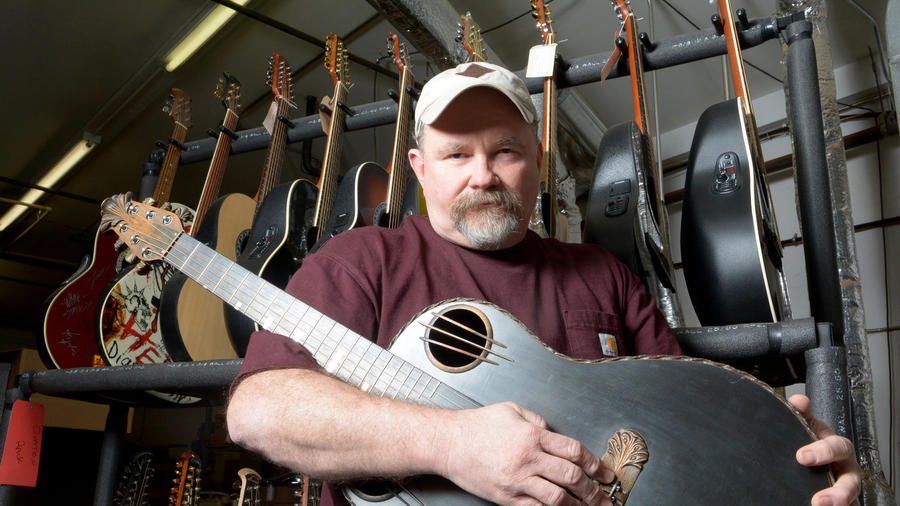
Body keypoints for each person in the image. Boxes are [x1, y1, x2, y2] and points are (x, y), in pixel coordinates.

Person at [227, 61, 861, 506]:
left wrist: (786, 459)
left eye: (505, 151)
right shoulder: (359, 263)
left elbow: (683, 425)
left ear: (537, 158)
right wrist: (450, 444)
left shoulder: (601, 275)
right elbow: (260, 411)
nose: (483, 175)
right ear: (420, 168)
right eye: (455, 155)